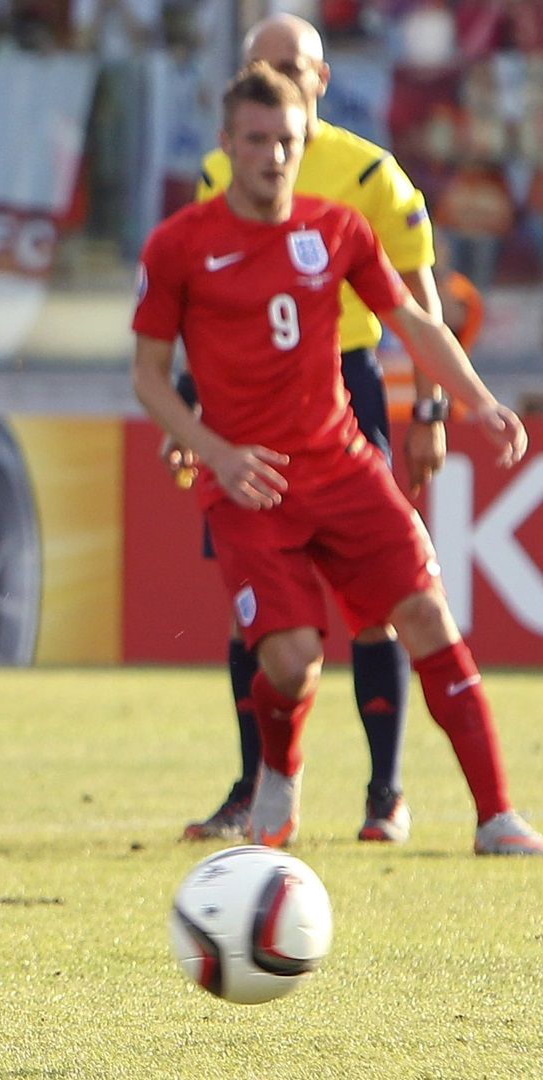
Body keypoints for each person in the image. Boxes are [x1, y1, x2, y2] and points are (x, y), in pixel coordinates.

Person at [132, 62, 541, 857]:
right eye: (256, 141)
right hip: (249, 484)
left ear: (303, 140)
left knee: (425, 613)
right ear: (226, 147)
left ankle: (496, 816)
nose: (273, 156)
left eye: (286, 140)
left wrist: (476, 399)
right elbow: (148, 376)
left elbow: (416, 323)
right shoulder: (180, 246)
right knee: (291, 660)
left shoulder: (338, 229)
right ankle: (279, 776)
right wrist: (215, 451)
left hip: (343, 465)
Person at [176, 13, 452, 846]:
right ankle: (251, 786)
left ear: (322, 80)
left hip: (347, 393)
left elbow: (419, 303)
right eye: (262, 66)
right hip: (244, 408)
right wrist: (189, 414)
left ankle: (384, 792)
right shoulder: (218, 173)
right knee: (251, 615)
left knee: (375, 606)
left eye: (292, 66)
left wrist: (430, 409)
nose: (279, 78)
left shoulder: (370, 172)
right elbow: (200, 303)